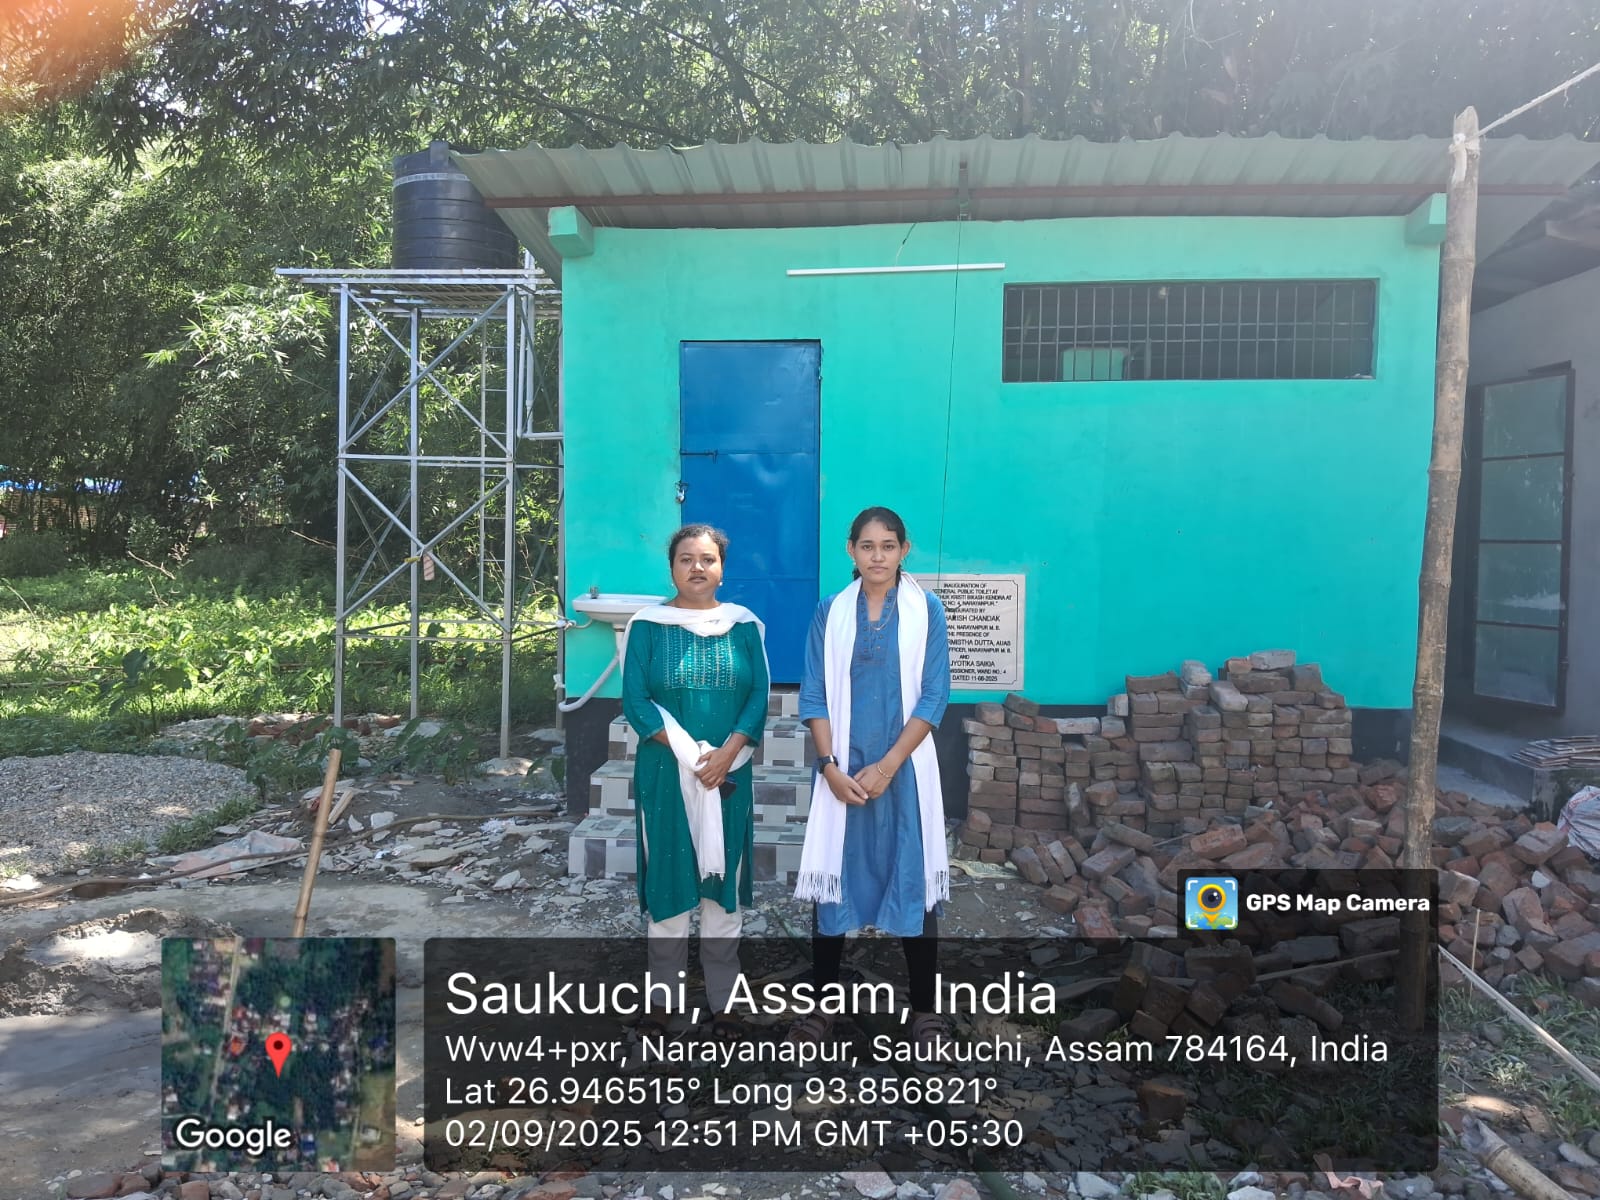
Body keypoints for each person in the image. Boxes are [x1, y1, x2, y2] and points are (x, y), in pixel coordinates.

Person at [791, 506, 952, 1057]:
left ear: (905, 550)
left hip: (903, 771)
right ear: (851, 550)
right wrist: (829, 767)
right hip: (842, 770)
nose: (877, 556)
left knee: (913, 880)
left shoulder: (927, 610)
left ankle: (925, 1010)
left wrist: (887, 766)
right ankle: (822, 1007)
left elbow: (934, 696)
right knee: (832, 883)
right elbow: (814, 693)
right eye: (867, 546)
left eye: (888, 546)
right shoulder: (830, 611)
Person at [621, 524, 769, 1041]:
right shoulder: (647, 626)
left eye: (707, 558)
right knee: (668, 877)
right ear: (672, 569)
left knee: (722, 884)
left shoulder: (744, 626)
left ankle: (725, 1001)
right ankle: (664, 1000)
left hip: (729, 774)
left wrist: (726, 754)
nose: (697, 567)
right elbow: (636, 701)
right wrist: (691, 754)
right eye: (686, 559)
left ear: (722, 568)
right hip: (665, 773)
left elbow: (758, 697)